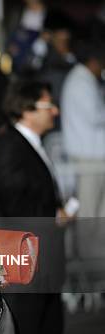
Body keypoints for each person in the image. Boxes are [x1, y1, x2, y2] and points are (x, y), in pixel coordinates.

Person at [0, 80, 66, 334]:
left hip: (42, 261)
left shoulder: (31, 143)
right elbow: (13, 199)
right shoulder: (11, 145)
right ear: (26, 110)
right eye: (49, 107)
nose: (56, 112)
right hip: (25, 263)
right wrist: (53, 214)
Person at [60, 40, 105, 217]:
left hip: (93, 158)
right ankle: (86, 246)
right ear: (93, 61)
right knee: (88, 211)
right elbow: (96, 116)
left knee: (96, 211)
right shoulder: (80, 81)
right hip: (88, 159)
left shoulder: (84, 79)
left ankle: (95, 245)